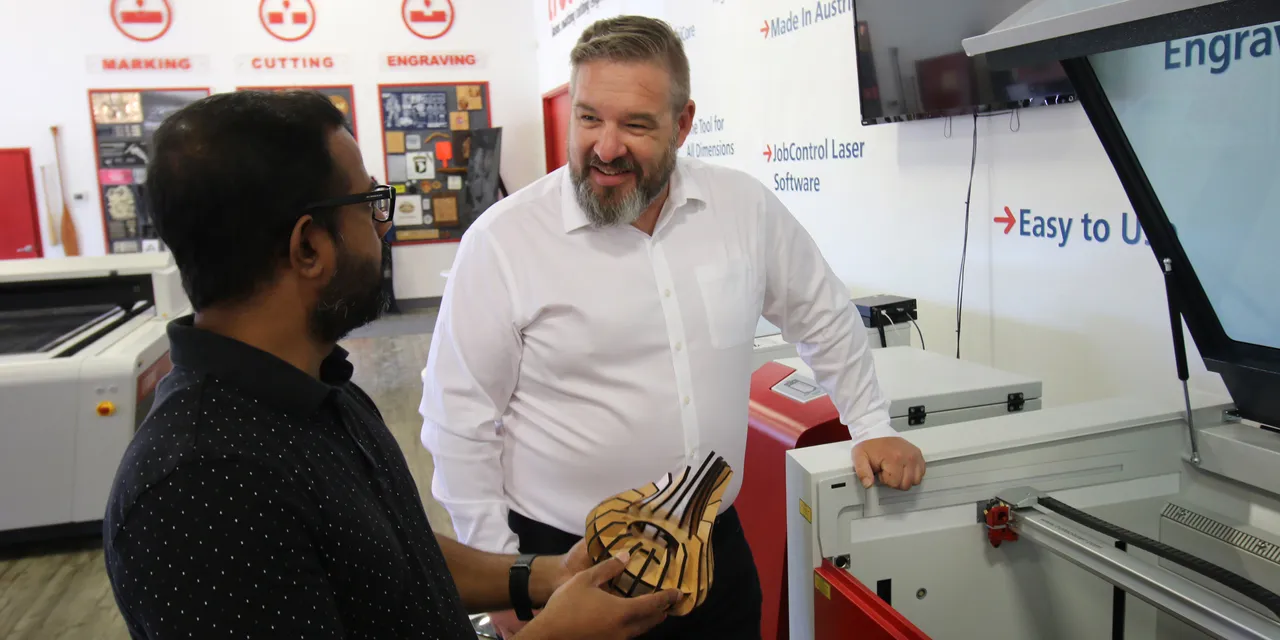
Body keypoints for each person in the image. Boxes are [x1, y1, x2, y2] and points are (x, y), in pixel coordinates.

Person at [419, 14, 928, 639]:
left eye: (635, 124)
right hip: (569, 563)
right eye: (588, 118)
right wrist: (509, 579)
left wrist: (870, 424)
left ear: (683, 124)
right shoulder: (503, 243)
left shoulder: (742, 209)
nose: (605, 147)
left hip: (713, 549)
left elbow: (822, 314)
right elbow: (457, 421)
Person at [102, 90, 680, 639]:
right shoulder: (202, 490)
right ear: (309, 246)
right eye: (371, 204)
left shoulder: (317, 388)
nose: (384, 226)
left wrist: (542, 575)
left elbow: (390, 560)